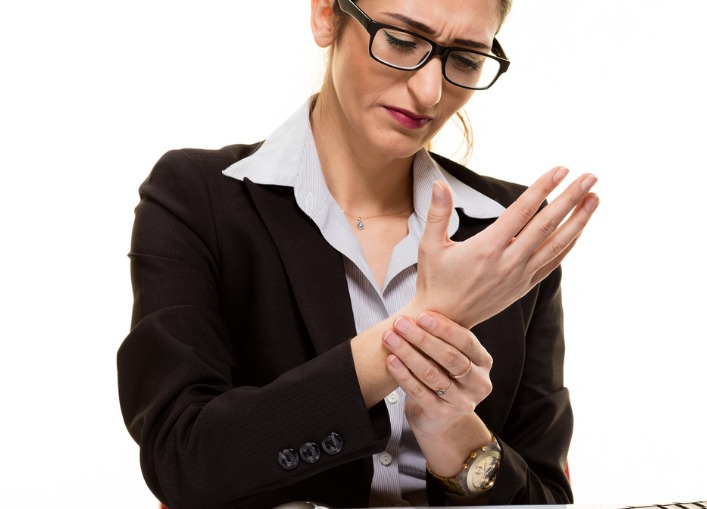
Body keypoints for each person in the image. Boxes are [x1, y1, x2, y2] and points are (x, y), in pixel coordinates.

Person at [117, 0, 599, 507]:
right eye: (401, 40)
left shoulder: (505, 232)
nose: (430, 92)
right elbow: (183, 459)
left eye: (465, 59)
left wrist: (455, 435)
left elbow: (547, 498)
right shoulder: (199, 199)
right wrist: (415, 332)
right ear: (327, 15)